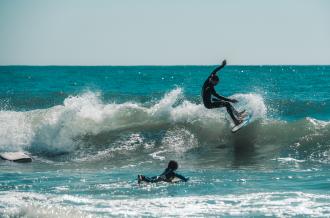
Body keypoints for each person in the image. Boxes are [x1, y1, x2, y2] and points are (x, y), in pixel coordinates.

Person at [201, 60, 245, 126]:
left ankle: (238, 114)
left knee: (226, 103)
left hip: (210, 100)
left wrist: (222, 66)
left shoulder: (210, 78)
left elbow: (215, 71)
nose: (216, 84)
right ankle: (236, 121)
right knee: (227, 104)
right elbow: (218, 96)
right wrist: (231, 100)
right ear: (213, 81)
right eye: (215, 83)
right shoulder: (209, 87)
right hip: (208, 104)